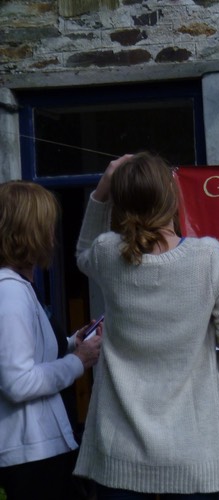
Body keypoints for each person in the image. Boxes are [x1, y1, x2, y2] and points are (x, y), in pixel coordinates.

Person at [72, 152, 219, 500]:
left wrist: (101, 189)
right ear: (172, 196)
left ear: (120, 202)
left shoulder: (107, 254)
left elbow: (82, 252)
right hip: (193, 454)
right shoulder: (208, 258)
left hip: (119, 455)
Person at [0, 180, 102, 500]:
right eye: (46, 227)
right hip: (31, 456)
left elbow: (27, 354)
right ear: (29, 232)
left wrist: (73, 343)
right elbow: (18, 381)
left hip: (39, 451)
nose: (52, 237)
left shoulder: (17, 286)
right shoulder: (10, 292)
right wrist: (79, 362)